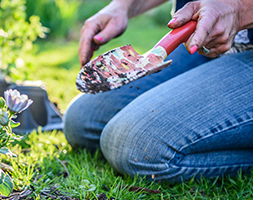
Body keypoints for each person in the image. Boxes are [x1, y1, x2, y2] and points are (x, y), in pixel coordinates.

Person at [63, 0, 253, 182]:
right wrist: (122, 6)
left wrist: (239, 7)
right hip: (203, 38)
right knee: (82, 120)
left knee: (134, 146)